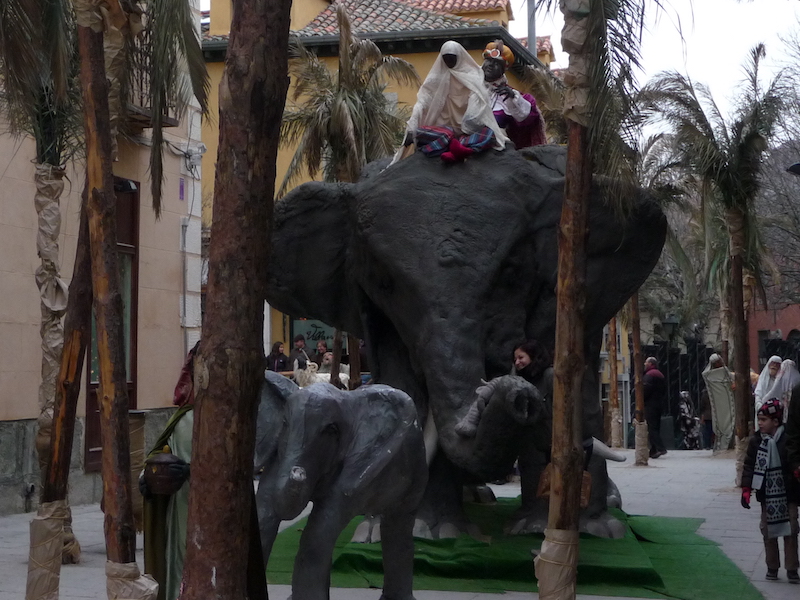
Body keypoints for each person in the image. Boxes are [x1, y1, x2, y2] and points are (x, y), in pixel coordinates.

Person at [391, 40, 509, 165]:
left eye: (452, 58)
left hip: (466, 133)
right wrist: (412, 128)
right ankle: (452, 147)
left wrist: (469, 124)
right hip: (442, 131)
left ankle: (455, 149)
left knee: (490, 134)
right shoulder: (436, 78)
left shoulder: (473, 76)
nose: (449, 62)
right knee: (438, 134)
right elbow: (422, 102)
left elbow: (478, 103)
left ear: (459, 57)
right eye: (446, 58)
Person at [142, 343, 198, 600]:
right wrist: (149, 479)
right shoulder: (181, 418)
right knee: (179, 567)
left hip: (214, 514)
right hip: (179, 511)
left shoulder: (233, 418)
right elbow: (159, 454)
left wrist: (196, 471)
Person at [741, 398, 800, 583]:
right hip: (767, 495)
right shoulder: (757, 441)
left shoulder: (787, 440)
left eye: (764, 419)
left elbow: (793, 461)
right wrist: (746, 488)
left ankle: (792, 568)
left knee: (791, 529)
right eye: (759, 419)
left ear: (776, 421)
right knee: (767, 530)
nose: (760, 423)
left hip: (788, 494)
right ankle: (772, 566)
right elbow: (749, 465)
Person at [481, 40, 546, 149]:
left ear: (503, 70)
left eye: (497, 63)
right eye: (489, 60)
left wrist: (512, 98)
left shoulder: (511, 96)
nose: (491, 65)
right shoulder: (469, 84)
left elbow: (527, 119)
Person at [702, 353, 735, 452]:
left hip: (727, 403)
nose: (718, 364)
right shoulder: (709, 375)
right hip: (718, 406)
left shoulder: (725, 371)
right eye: (716, 363)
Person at [643, 357, 667, 459]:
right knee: (656, 427)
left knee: (651, 427)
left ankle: (660, 448)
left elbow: (645, 390)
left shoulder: (649, 375)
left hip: (650, 405)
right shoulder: (660, 374)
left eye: (646, 362)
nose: (644, 364)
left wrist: (641, 399)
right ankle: (653, 450)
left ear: (650, 364)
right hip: (659, 404)